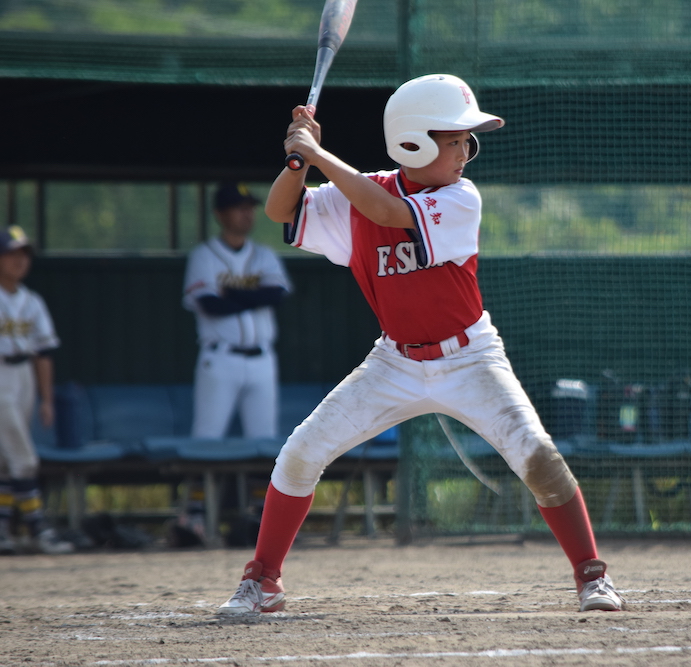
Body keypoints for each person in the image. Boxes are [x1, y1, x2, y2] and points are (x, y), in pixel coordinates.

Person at [217, 74, 624, 614]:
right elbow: (280, 212)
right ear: (412, 143)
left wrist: (317, 154)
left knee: (538, 457)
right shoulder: (359, 192)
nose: (464, 153)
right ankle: (263, 579)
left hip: (470, 357)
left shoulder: (460, 197)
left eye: (466, 141)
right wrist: (297, 163)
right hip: (395, 362)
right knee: (299, 454)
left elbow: (388, 214)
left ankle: (592, 575)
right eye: (454, 141)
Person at [183, 183, 292, 440]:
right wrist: (256, 297)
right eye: (238, 208)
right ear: (220, 214)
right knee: (207, 438)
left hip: (263, 359)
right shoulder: (204, 256)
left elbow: (275, 297)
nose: (247, 214)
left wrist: (231, 292)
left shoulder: (264, 255)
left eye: (249, 208)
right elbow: (212, 305)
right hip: (221, 358)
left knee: (265, 439)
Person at [0, 226, 75, 555]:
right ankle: (37, 527)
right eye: (11, 254)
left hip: (23, 375)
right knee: (25, 458)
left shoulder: (32, 301)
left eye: (24, 254)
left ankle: (4, 529)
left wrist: (47, 399)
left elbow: (44, 352)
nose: (19, 260)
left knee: (6, 460)